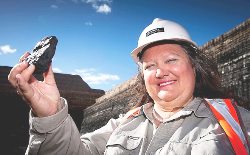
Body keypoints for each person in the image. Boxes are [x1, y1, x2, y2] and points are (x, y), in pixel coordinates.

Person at [8, 18, 250, 155]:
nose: (160, 71)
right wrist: (50, 115)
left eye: (171, 60)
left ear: (195, 67)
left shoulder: (238, 122)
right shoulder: (122, 124)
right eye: (149, 65)